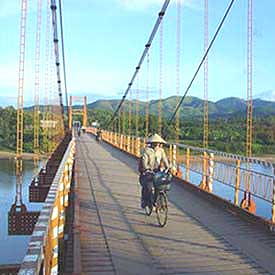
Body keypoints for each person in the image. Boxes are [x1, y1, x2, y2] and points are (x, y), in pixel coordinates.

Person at [139, 133, 169, 208]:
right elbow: (144, 161)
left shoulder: (161, 151)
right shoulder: (147, 151)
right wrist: (146, 168)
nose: (157, 145)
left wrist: (168, 167)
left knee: (161, 185)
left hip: (157, 171)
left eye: (158, 143)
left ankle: (156, 200)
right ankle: (145, 200)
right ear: (152, 143)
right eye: (155, 143)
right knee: (148, 187)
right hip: (148, 172)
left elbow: (165, 159)